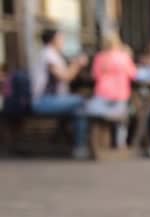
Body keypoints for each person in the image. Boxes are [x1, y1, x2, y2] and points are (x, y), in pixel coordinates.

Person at [31, 28, 90, 159]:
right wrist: (77, 64)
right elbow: (65, 77)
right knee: (82, 101)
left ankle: (78, 146)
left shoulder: (53, 55)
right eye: (61, 38)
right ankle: (79, 147)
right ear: (53, 40)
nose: (63, 41)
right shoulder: (48, 55)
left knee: (79, 111)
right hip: (43, 101)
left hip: (52, 99)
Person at [84, 33, 137, 147]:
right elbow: (133, 74)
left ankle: (94, 143)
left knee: (88, 111)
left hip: (102, 94)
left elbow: (95, 75)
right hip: (121, 94)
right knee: (123, 118)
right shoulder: (124, 56)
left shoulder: (100, 57)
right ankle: (120, 143)